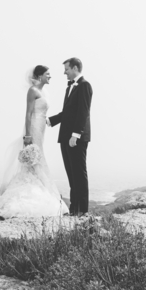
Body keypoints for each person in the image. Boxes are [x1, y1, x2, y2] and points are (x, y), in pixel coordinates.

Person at [0, 65, 67, 218]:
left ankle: (37, 186)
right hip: (33, 127)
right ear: (40, 76)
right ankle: (30, 192)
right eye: (48, 74)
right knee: (36, 160)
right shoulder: (33, 91)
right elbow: (28, 114)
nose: (50, 77)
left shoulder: (43, 91)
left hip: (41, 129)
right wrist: (27, 136)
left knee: (38, 159)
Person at [48, 57, 93, 215]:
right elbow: (67, 113)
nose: (64, 72)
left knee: (79, 173)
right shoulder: (70, 88)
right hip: (65, 137)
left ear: (75, 68)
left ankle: (82, 210)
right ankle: (74, 208)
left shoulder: (85, 86)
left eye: (66, 69)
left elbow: (83, 112)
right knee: (71, 174)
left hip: (76, 138)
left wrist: (75, 135)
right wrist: (49, 121)